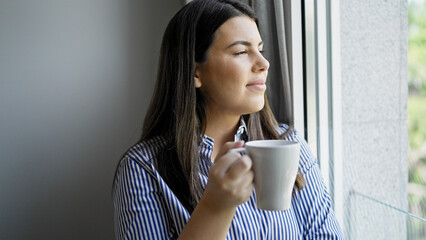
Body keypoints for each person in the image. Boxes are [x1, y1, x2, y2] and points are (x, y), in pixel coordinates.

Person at [113, 0, 344, 239]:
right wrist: (215, 207)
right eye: (241, 52)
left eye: (260, 50)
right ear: (195, 72)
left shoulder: (286, 142)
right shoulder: (143, 169)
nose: (264, 64)